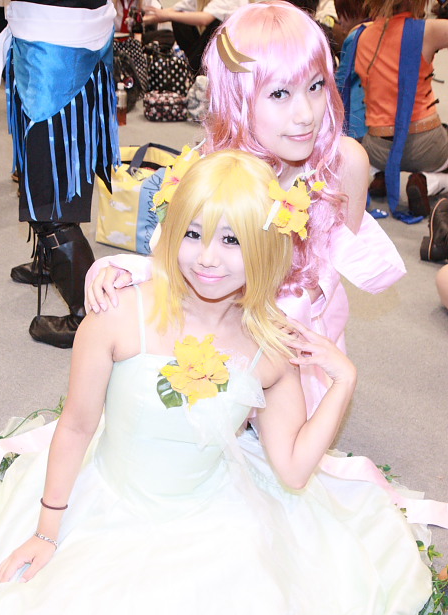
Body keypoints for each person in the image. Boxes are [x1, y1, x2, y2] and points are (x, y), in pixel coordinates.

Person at [0, 150, 447, 615]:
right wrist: (47, 533)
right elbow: (76, 426)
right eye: (193, 233)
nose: (207, 258)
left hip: (212, 514)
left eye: (233, 240)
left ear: (266, 247)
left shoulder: (269, 346)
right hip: (107, 500)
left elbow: (294, 469)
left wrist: (343, 381)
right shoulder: (119, 314)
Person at [85, 0, 406, 418]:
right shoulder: (208, 165)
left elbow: (323, 277)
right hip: (216, 324)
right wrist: (134, 273)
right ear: (237, 97)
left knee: (287, 443)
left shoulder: (343, 162)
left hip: (295, 334)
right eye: (279, 93)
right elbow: (184, 261)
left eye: (315, 86)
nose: (306, 114)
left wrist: (272, 328)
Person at [0, 0, 120, 349]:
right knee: (54, 163)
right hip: (62, 35)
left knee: (49, 186)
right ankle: (51, 261)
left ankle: (87, 313)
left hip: (53, 47)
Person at [355, 0, 448, 218]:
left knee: (364, 144)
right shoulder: (429, 30)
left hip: (377, 149)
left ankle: (381, 177)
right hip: (427, 145)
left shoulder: (361, 34)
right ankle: (428, 182)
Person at [141, 0, 247, 76]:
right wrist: (142, 20)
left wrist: (168, 15)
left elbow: (205, 19)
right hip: (213, 47)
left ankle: (193, 69)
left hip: (233, 50)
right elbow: (176, 10)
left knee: (216, 24)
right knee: (179, 20)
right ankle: (192, 66)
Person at [334, 0, 370, 141]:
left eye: (342, 15)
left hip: (355, 117)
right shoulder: (377, 30)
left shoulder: (355, 37)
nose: (340, 21)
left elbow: (341, 80)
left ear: (354, 12)